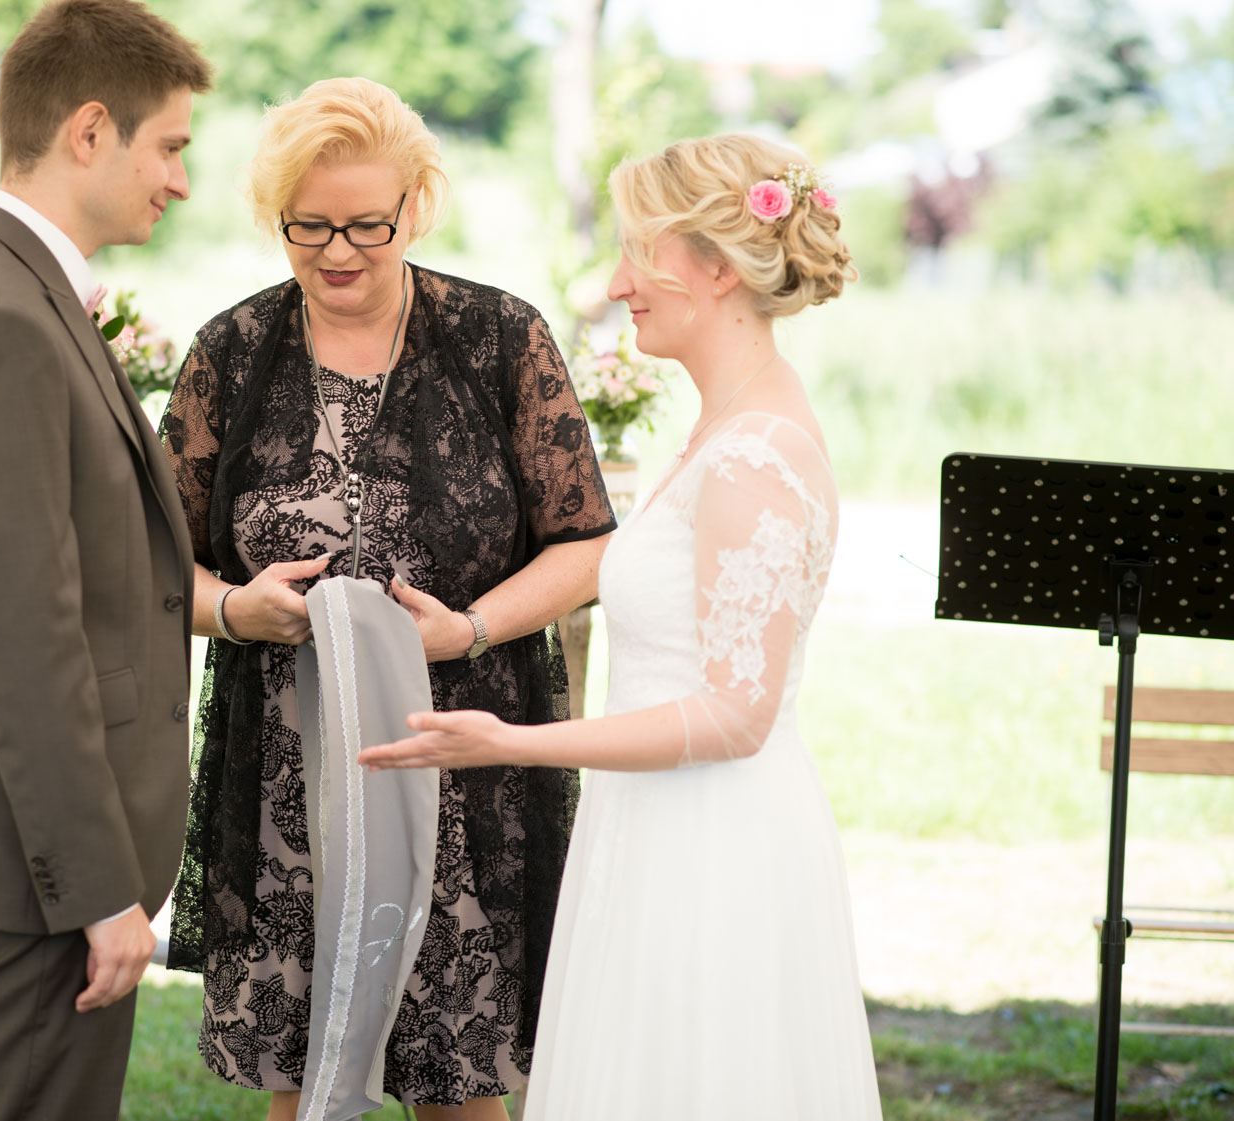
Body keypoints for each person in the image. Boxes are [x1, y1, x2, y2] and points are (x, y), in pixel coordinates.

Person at [360, 134, 883, 1119]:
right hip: (653, 823)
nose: (615, 282)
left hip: (711, 844)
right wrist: (466, 628)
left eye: (639, 253)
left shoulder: (754, 461)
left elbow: (735, 715)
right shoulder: (721, 431)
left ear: (719, 269)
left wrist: (511, 741)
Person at [159, 77, 615, 1120]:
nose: (339, 252)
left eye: (369, 223)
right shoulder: (230, 352)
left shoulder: (499, 337)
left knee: (458, 1088)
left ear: (418, 204)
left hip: (460, 767)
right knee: (306, 1084)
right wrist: (234, 608)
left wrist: (474, 624)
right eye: (308, 226)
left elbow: (585, 542)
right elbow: (153, 566)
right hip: (288, 780)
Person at [0, 3, 211, 1118]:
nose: (178, 180)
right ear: (88, 131)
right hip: (43, 868)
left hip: (47, 861)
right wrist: (99, 889)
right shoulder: (0, 322)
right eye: (169, 146)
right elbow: (22, 634)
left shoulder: (18, 292)